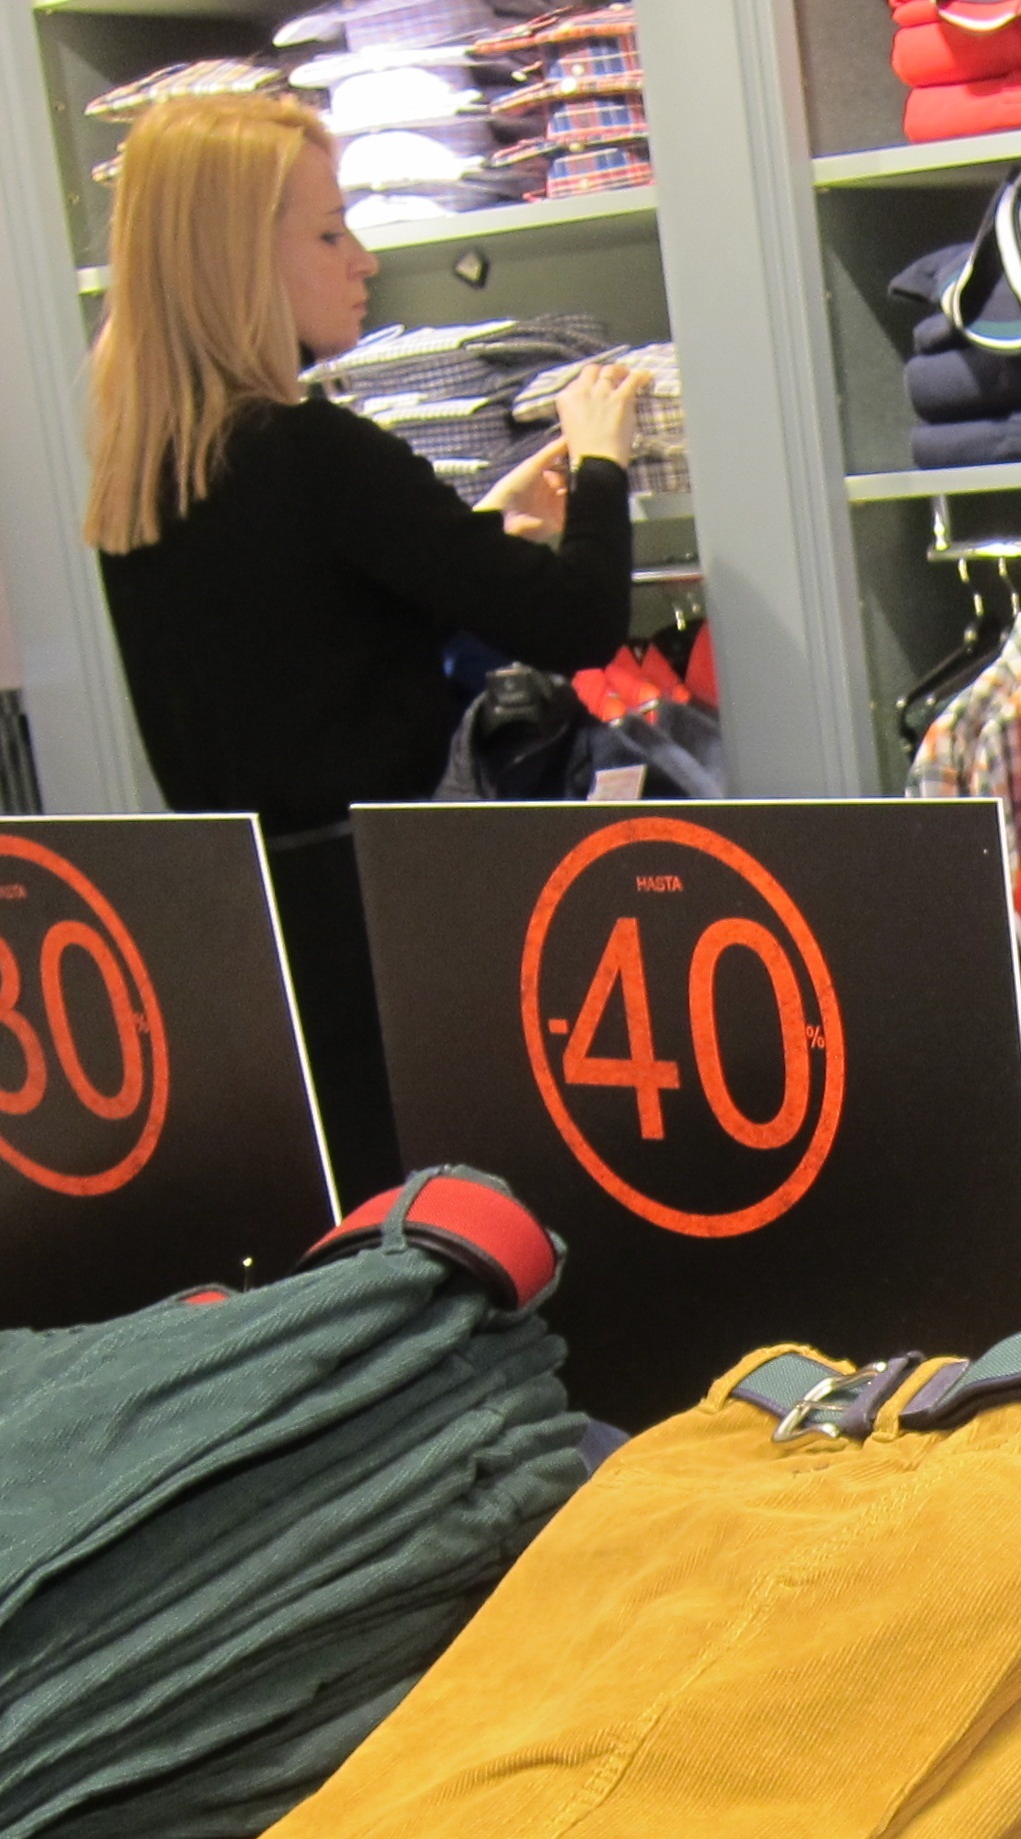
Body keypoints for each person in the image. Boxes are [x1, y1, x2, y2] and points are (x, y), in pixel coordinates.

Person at [83, 91, 643, 1200]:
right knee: (449, 1229)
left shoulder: (149, 472)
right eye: (331, 232)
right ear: (243, 260)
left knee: (342, 1236)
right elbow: (582, 622)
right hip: (384, 936)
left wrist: (477, 532)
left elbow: (305, 638)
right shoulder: (316, 454)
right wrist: (601, 461)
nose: (365, 261)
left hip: (250, 949)